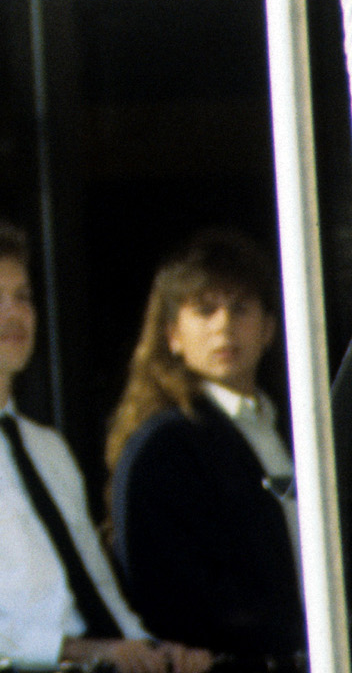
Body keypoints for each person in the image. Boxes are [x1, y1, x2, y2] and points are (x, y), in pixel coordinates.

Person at [0, 218, 213, 673]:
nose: (14, 313)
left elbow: (98, 591)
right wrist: (71, 650)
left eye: (23, 297)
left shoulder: (48, 449)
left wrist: (152, 651)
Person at [105, 228, 304, 662]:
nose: (223, 326)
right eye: (205, 310)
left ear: (269, 328)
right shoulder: (164, 445)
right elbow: (169, 594)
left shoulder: (299, 430)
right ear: (172, 335)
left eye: (240, 308)